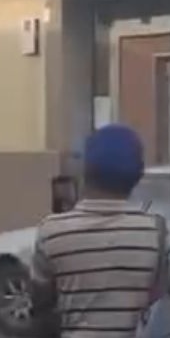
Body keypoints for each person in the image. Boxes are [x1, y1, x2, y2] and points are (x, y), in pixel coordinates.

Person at [31, 124, 167, 338]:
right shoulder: (156, 232)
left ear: (85, 170)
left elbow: (41, 311)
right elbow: (156, 300)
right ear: (138, 175)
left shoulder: (52, 232)